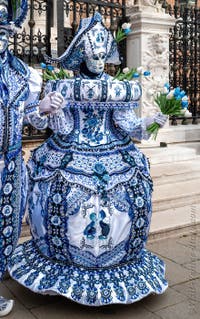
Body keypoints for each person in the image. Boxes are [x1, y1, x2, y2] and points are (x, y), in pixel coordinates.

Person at [9, 12, 168, 306]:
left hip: (116, 153)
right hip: (70, 154)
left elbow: (128, 125)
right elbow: (66, 129)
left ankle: (118, 258)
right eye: (91, 54)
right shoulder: (65, 88)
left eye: (100, 54)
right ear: (82, 54)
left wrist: (152, 121)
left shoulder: (115, 90)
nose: (97, 60)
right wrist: (54, 110)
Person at [0, 1, 63, 316]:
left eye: (3, 31)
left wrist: (43, 107)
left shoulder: (21, 73)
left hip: (10, 162)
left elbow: (31, 118)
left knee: (7, 223)